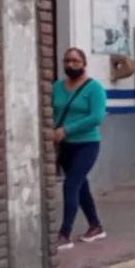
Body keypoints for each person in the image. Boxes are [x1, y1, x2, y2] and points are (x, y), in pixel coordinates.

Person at [52, 47, 108, 250]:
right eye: (67, 61)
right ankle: (95, 226)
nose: (71, 64)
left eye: (75, 61)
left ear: (84, 63)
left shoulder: (95, 88)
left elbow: (96, 117)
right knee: (80, 186)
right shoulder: (57, 87)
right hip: (64, 146)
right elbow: (49, 110)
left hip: (87, 144)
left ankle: (64, 234)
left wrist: (67, 129)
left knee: (70, 185)